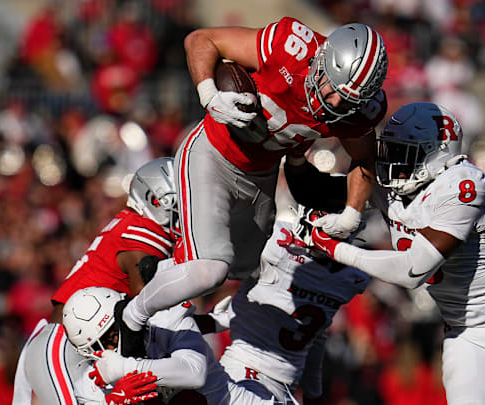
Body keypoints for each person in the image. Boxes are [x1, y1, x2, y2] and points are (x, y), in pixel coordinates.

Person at [121, 17, 389, 333]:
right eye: (333, 88)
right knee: (208, 270)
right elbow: (201, 39)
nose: (333, 102)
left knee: (246, 271)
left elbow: (364, 160)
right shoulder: (290, 45)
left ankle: (171, 297)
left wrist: (351, 213)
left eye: (347, 100)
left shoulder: (356, 114)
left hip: (260, 178)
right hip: (213, 153)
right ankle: (130, 318)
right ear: (322, 59)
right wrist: (209, 94)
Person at [310, 102, 485, 404]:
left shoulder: (463, 183)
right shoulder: (398, 185)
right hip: (464, 331)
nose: (394, 163)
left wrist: (335, 248)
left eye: (406, 152)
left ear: (438, 153)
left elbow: (414, 269)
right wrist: (295, 153)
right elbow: (315, 189)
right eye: (392, 150)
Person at [12, 157, 180, 404]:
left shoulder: (131, 223)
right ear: (155, 198)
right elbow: (147, 306)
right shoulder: (145, 233)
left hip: (85, 349)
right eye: (181, 200)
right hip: (67, 344)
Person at [219, 201, 381, 404]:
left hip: (262, 379)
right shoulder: (350, 277)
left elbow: (317, 335)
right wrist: (314, 392)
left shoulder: (275, 244)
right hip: (248, 376)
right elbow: (318, 334)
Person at [62, 286, 278, 405]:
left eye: (114, 334)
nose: (113, 348)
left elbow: (194, 373)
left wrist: (127, 368)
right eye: (104, 343)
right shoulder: (91, 387)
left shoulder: (167, 318)